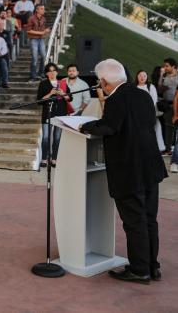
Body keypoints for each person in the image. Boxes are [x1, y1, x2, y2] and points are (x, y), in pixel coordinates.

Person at [80, 59, 168, 284]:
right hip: (151, 165)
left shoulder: (116, 98)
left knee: (134, 220)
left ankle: (139, 270)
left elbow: (109, 127)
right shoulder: (143, 94)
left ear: (103, 81)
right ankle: (151, 266)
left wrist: (85, 126)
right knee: (149, 218)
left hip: (130, 168)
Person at [36, 63, 71, 167]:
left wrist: (63, 94)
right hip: (48, 113)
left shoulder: (63, 83)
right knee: (46, 137)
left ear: (57, 72)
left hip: (61, 114)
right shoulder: (43, 83)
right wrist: (51, 93)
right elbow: (39, 101)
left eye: (54, 70)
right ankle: (44, 159)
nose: (52, 73)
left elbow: (70, 98)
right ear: (46, 73)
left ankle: (54, 158)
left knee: (57, 138)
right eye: (49, 71)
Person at [135, 70, 165, 154]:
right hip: (137, 114)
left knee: (152, 131)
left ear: (147, 77)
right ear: (137, 76)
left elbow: (154, 100)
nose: (142, 77)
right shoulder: (134, 87)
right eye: (140, 75)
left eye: (144, 76)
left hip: (149, 114)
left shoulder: (150, 87)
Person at [27, 5, 51, 82]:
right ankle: (32, 76)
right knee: (35, 58)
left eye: (43, 8)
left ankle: (41, 74)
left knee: (44, 56)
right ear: (37, 10)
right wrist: (42, 32)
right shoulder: (31, 18)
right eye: (42, 9)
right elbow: (28, 30)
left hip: (41, 39)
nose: (43, 10)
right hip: (33, 39)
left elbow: (43, 30)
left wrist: (46, 31)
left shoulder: (44, 19)